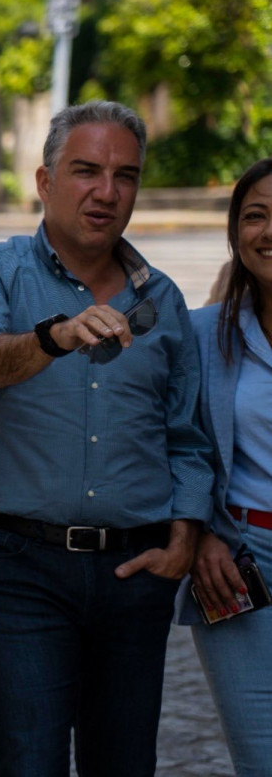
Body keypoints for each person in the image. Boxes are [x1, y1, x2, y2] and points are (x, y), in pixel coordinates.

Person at [0, 100, 214, 776]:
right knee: (27, 758)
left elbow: (186, 434)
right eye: (85, 170)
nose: (105, 191)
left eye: (124, 176)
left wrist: (183, 534)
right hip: (19, 564)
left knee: (122, 762)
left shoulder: (165, 300)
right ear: (43, 181)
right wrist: (55, 334)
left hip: (134, 570)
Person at [175, 158, 272, 776]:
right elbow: (177, 445)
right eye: (255, 216)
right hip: (236, 564)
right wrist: (203, 531)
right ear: (236, 234)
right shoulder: (204, 335)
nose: (269, 231)